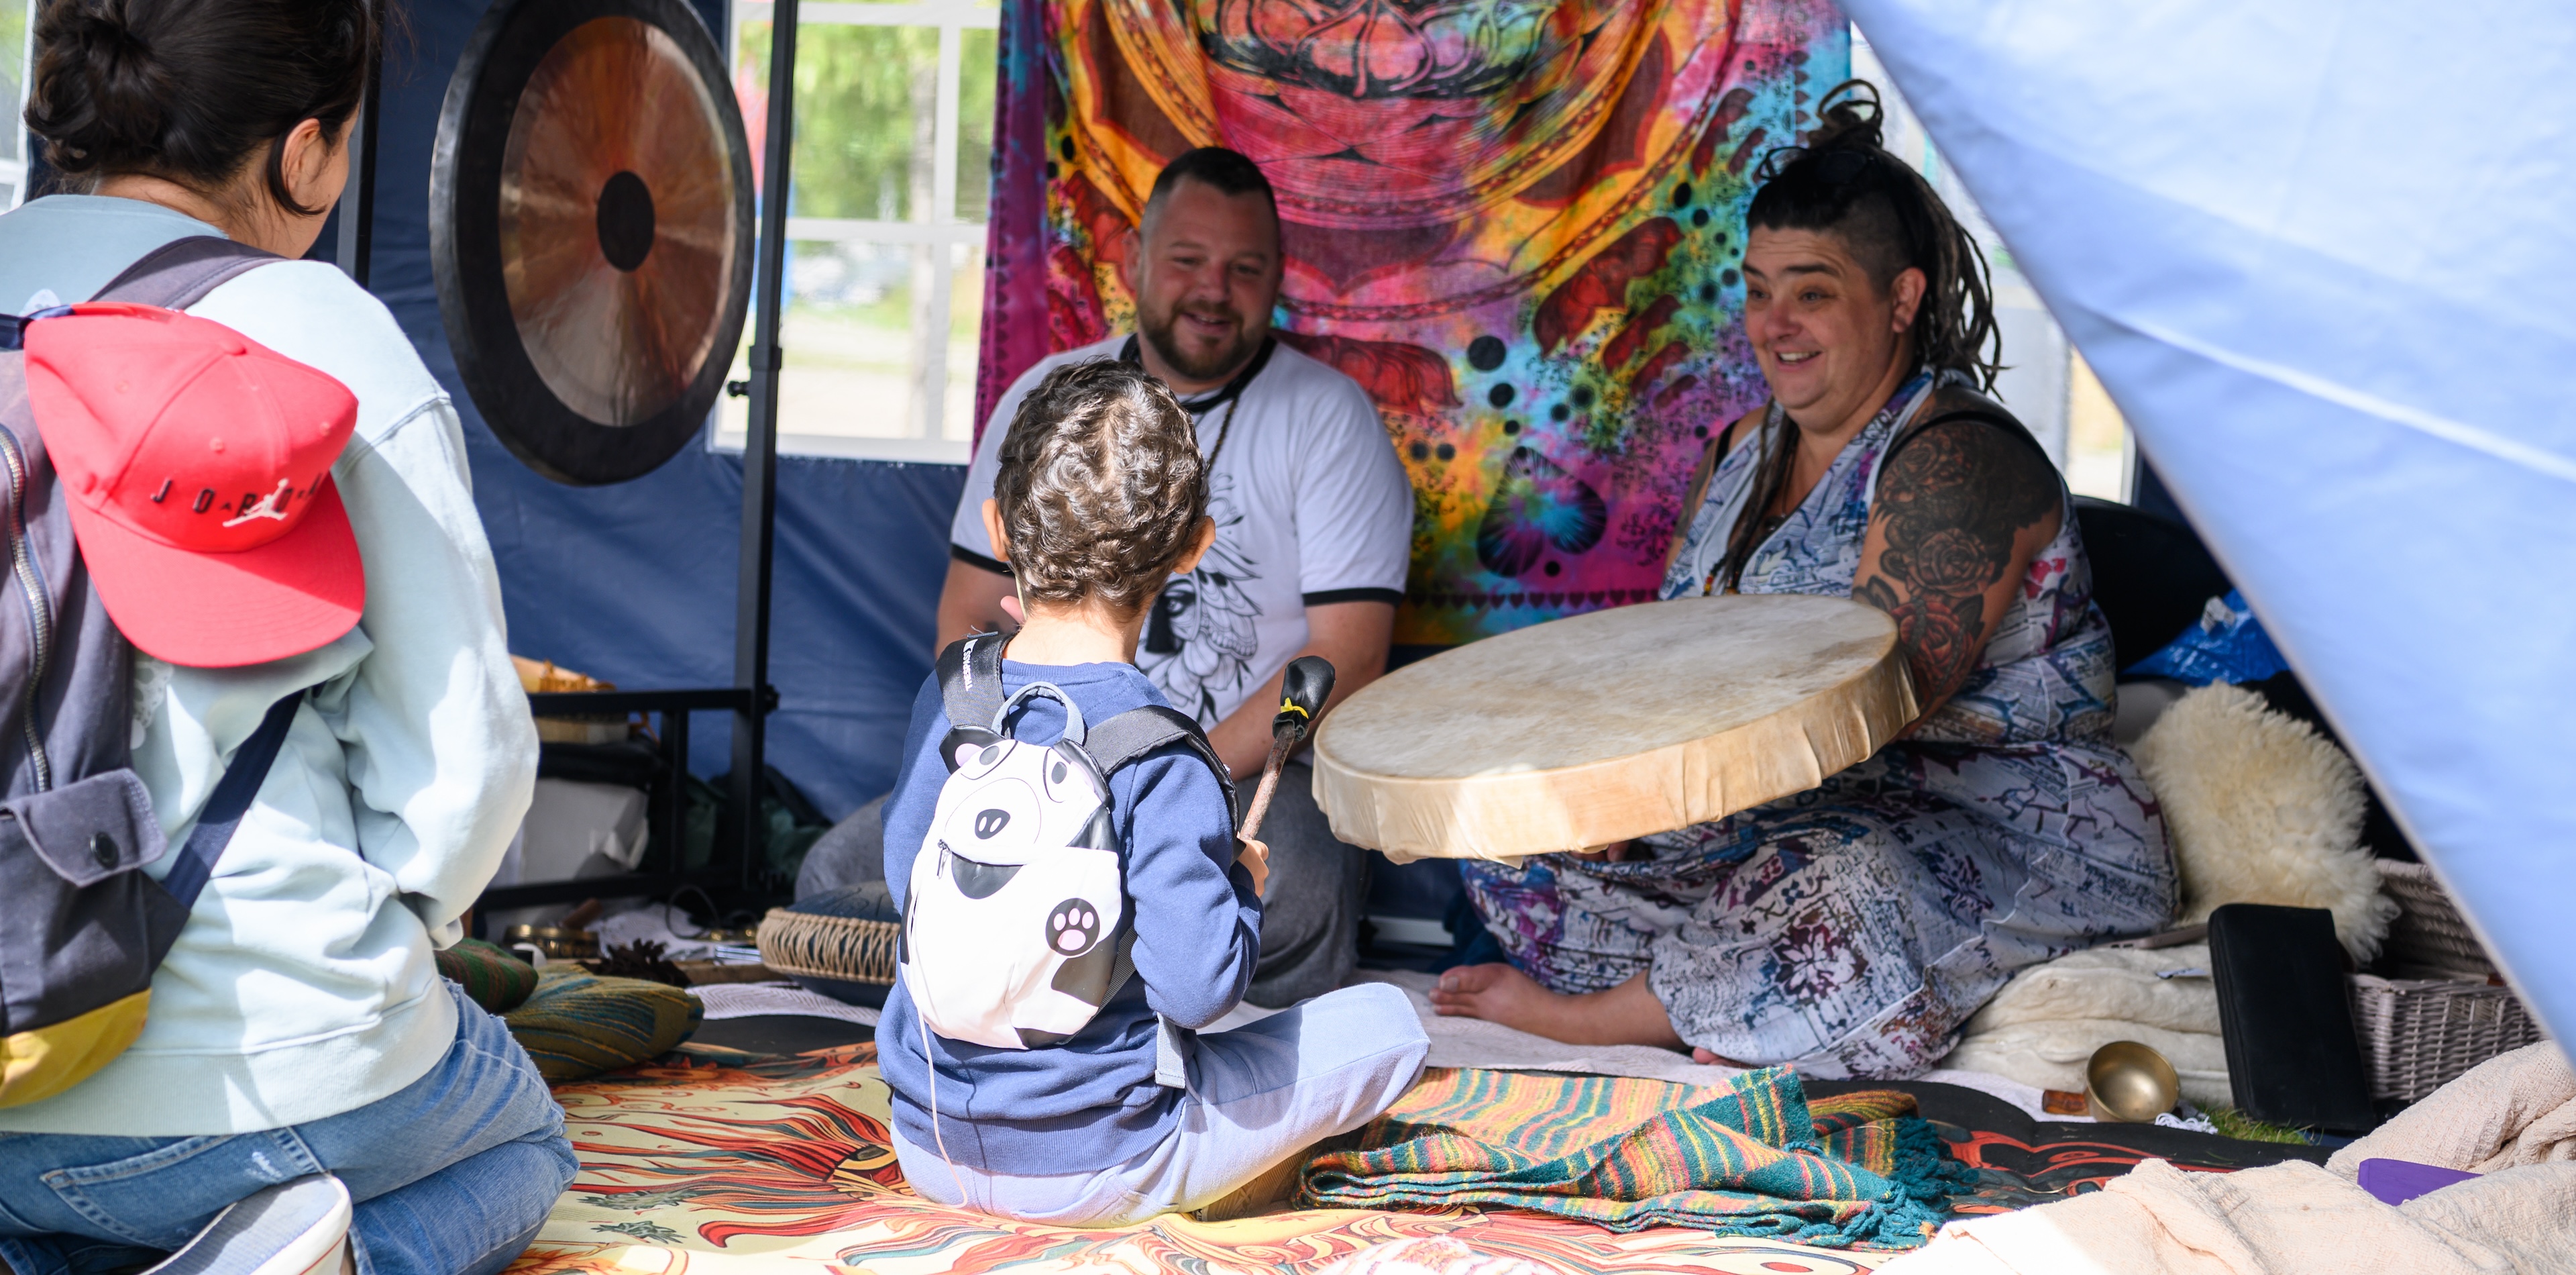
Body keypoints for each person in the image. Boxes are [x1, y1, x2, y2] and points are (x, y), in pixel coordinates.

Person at [1430, 85, 2175, 1078]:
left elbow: (1858, 709)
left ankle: (1620, 1015)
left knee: (1832, 880)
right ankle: (1725, 992)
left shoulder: (1958, 458)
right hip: (1789, 815)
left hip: (2000, 827)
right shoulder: (1741, 452)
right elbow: (1671, 653)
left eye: (1813, 291)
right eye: (1757, 288)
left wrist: (1665, 803)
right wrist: (1616, 803)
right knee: (1514, 848)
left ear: (1901, 300)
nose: (1775, 323)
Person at [0, 1, 568, 1272]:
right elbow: (460, 769)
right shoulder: (314, 334)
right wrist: (410, 938)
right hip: (244, 1070)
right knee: (525, 1140)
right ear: (303, 151)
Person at [801, 146, 1414, 1007]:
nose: (1213, 290)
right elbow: (968, 614)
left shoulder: (1326, 416)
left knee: (1295, 892)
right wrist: (1035, 762)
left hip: (1228, 771)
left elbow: (1346, 655)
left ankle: (1052, 970)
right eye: (1188, 261)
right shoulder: (1048, 398)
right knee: (833, 874)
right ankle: (1126, 967)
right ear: (1134, 260)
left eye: (1245, 270)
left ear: (1280, 277)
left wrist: (1168, 774)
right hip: (1038, 764)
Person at [876, 358, 1426, 1225]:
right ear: (1194, 547)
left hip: (930, 1146)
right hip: (1105, 1161)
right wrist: (1238, 886)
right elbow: (1198, 990)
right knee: (1393, 1025)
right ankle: (1222, 1174)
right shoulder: (1165, 752)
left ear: (999, 529)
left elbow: (908, 876)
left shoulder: (953, 693)